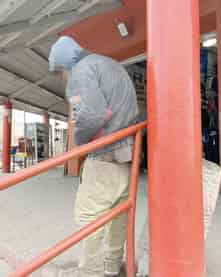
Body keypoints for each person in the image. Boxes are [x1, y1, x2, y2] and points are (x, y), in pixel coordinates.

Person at [49, 36, 139, 277]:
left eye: (59, 73)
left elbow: (91, 115)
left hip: (104, 156)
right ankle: (112, 266)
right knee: (118, 215)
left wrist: (79, 142)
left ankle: (90, 272)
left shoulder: (80, 71)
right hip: (126, 156)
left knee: (88, 216)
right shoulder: (111, 66)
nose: (62, 78)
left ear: (63, 65)